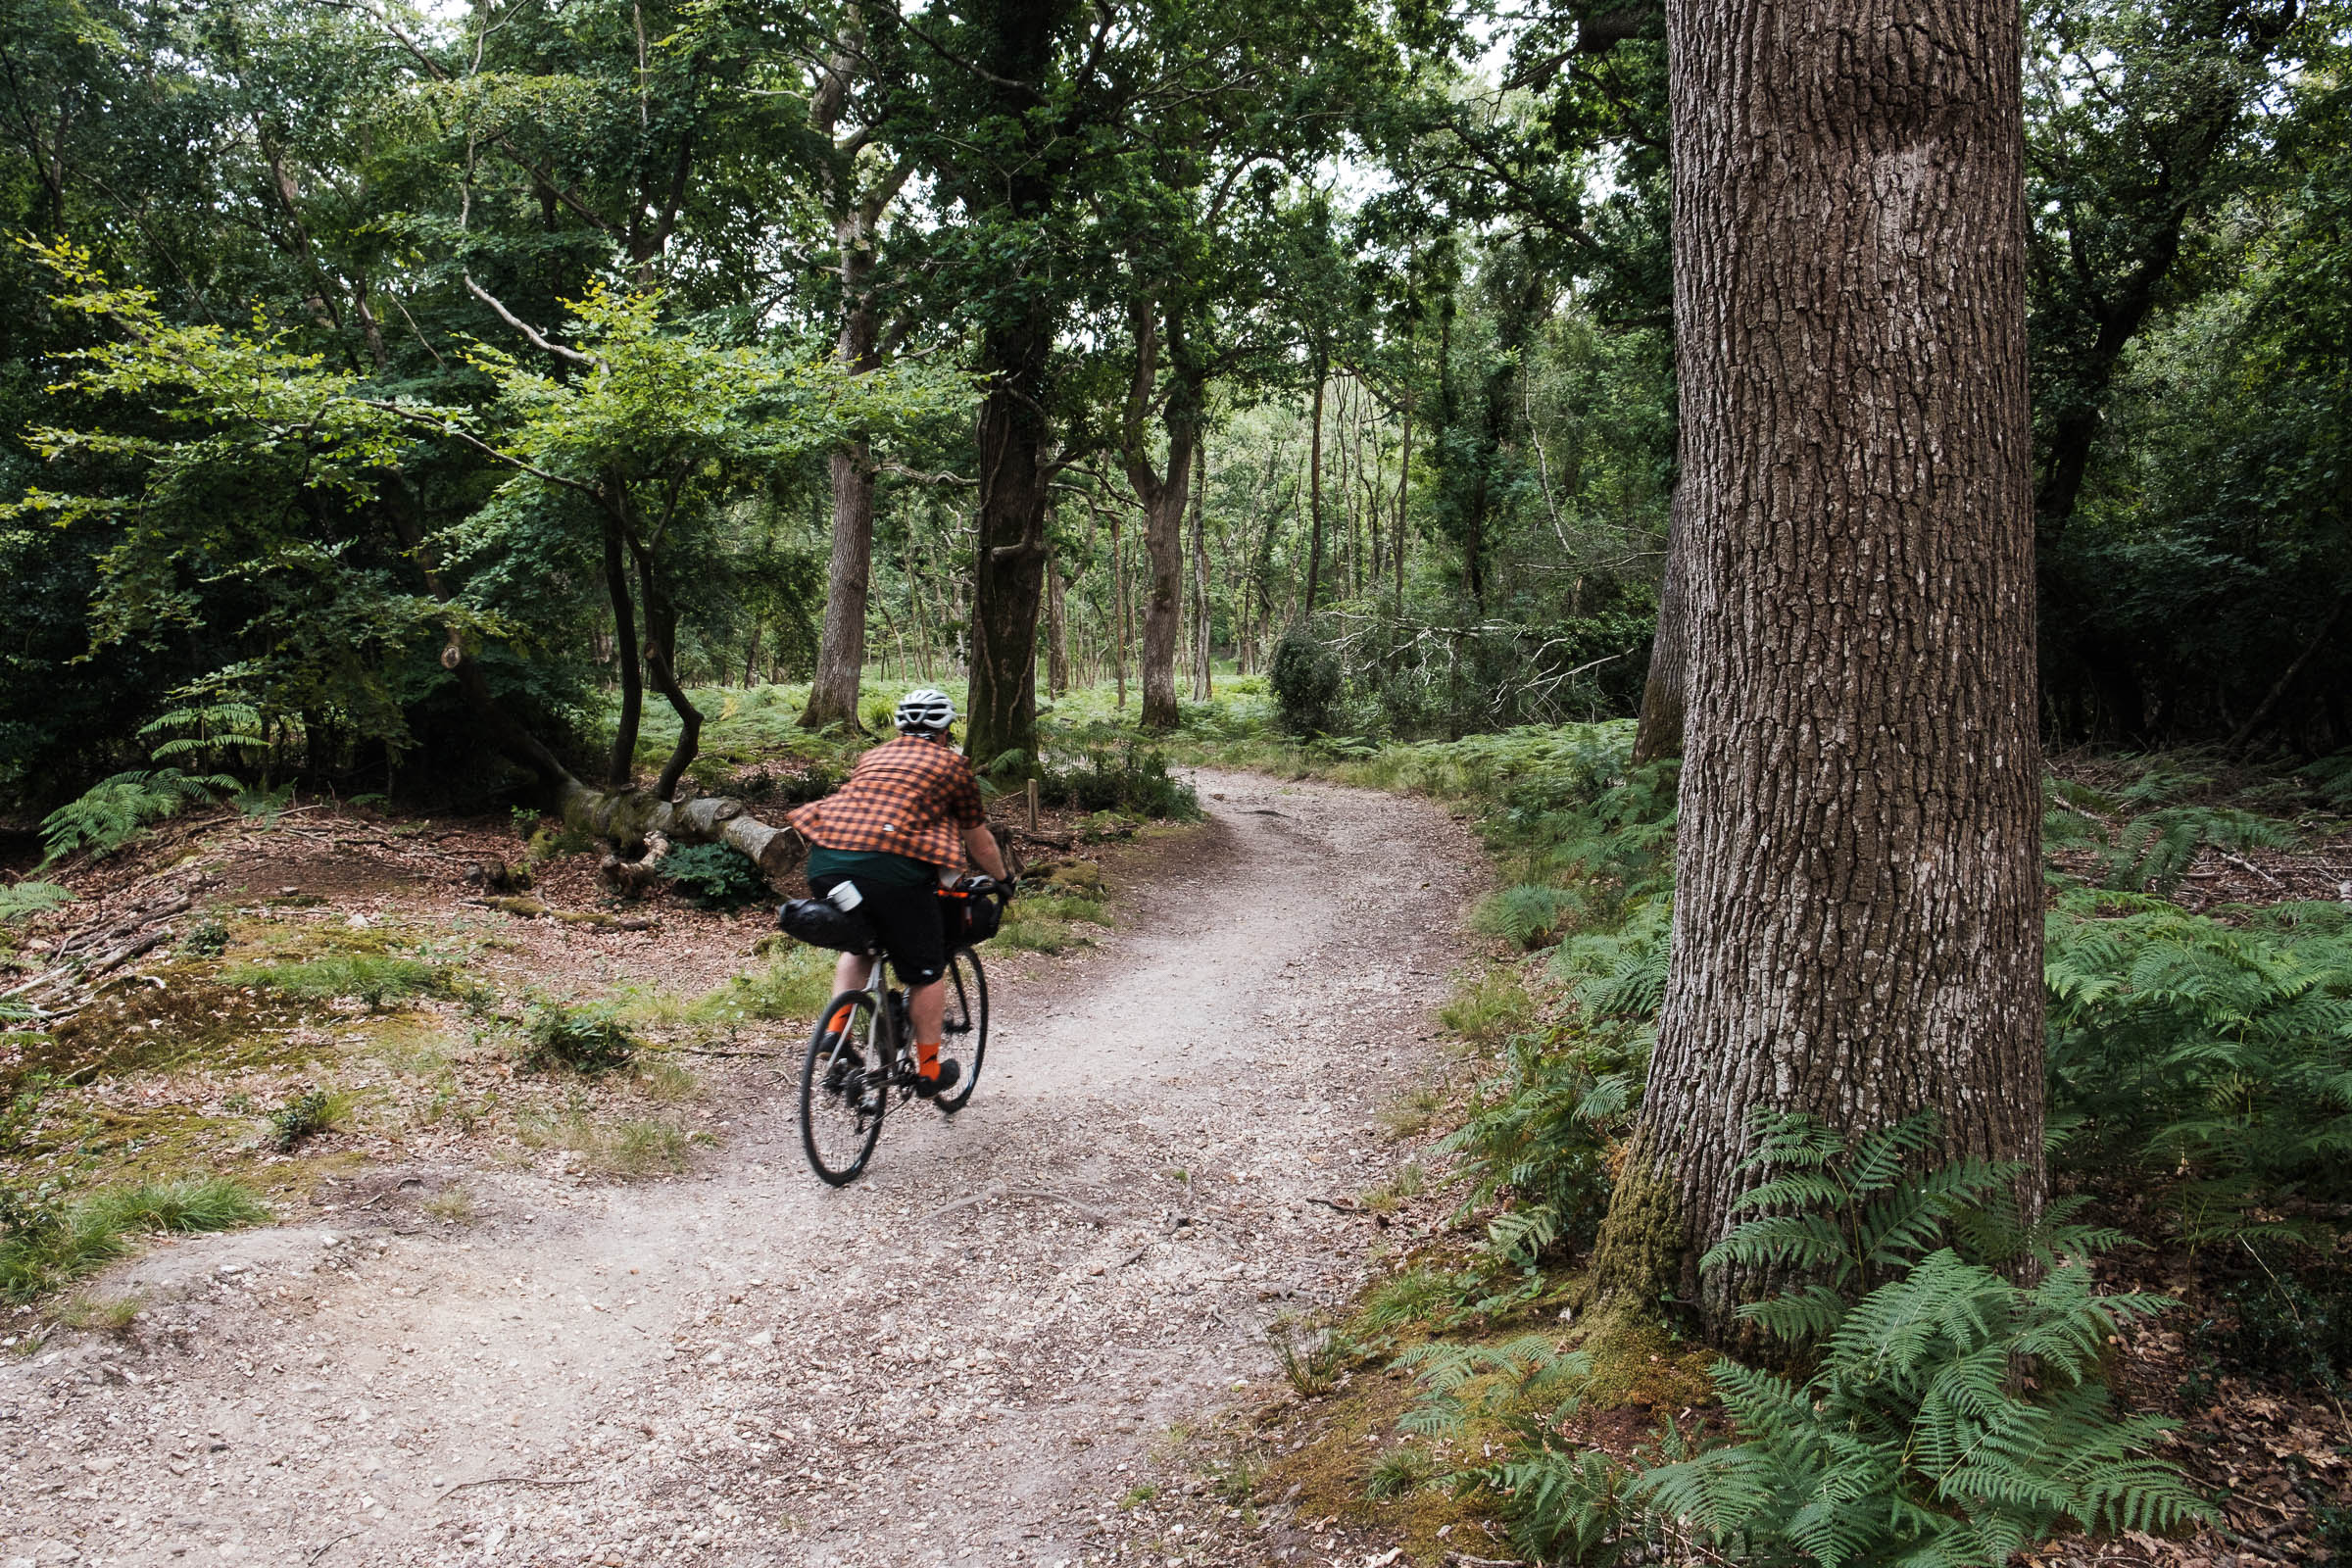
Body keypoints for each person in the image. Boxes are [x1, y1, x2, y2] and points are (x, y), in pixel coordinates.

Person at [787, 688, 1010, 1096]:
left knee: (859, 947)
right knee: (925, 972)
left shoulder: (873, 757)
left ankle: (834, 1035)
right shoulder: (953, 766)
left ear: (902, 727)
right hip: (890, 872)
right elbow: (978, 842)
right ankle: (927, 1071)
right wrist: (1004, 879)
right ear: (945, 730)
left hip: (827, 864)